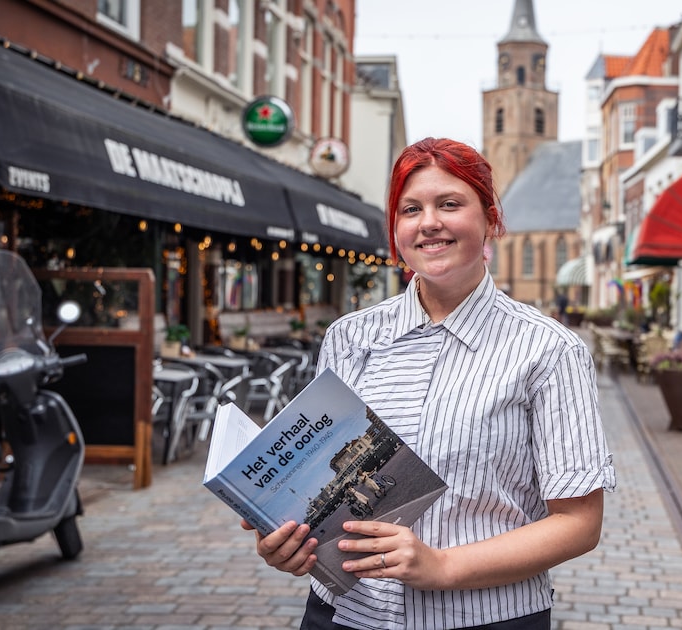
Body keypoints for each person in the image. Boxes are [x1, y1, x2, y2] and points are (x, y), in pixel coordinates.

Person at [245, 137, 616, 629]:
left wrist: (443, 566)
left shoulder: (549, 350)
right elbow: (323, 486)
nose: (429, 223)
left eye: (450, 204)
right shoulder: (349, 338)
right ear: (396, 228)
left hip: (485, 619)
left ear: (489, 219)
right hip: (345, 618)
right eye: (410, 209)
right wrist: (288, 542)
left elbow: (579, 523)